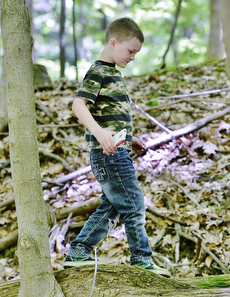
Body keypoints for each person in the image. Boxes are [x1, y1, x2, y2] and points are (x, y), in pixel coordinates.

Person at [63, 17, 171, 277]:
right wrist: (100, 134)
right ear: (113, 43)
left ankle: (78, 251)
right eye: (130, 50)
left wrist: (128, 138)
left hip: (116, 150)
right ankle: (142, 260)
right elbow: (79, 105)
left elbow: (109, 115)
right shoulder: (99, 71)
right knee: (134, 204)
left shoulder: (113, 74)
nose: (133, 57)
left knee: (111, 208)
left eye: (136, 53)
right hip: (108, 154)